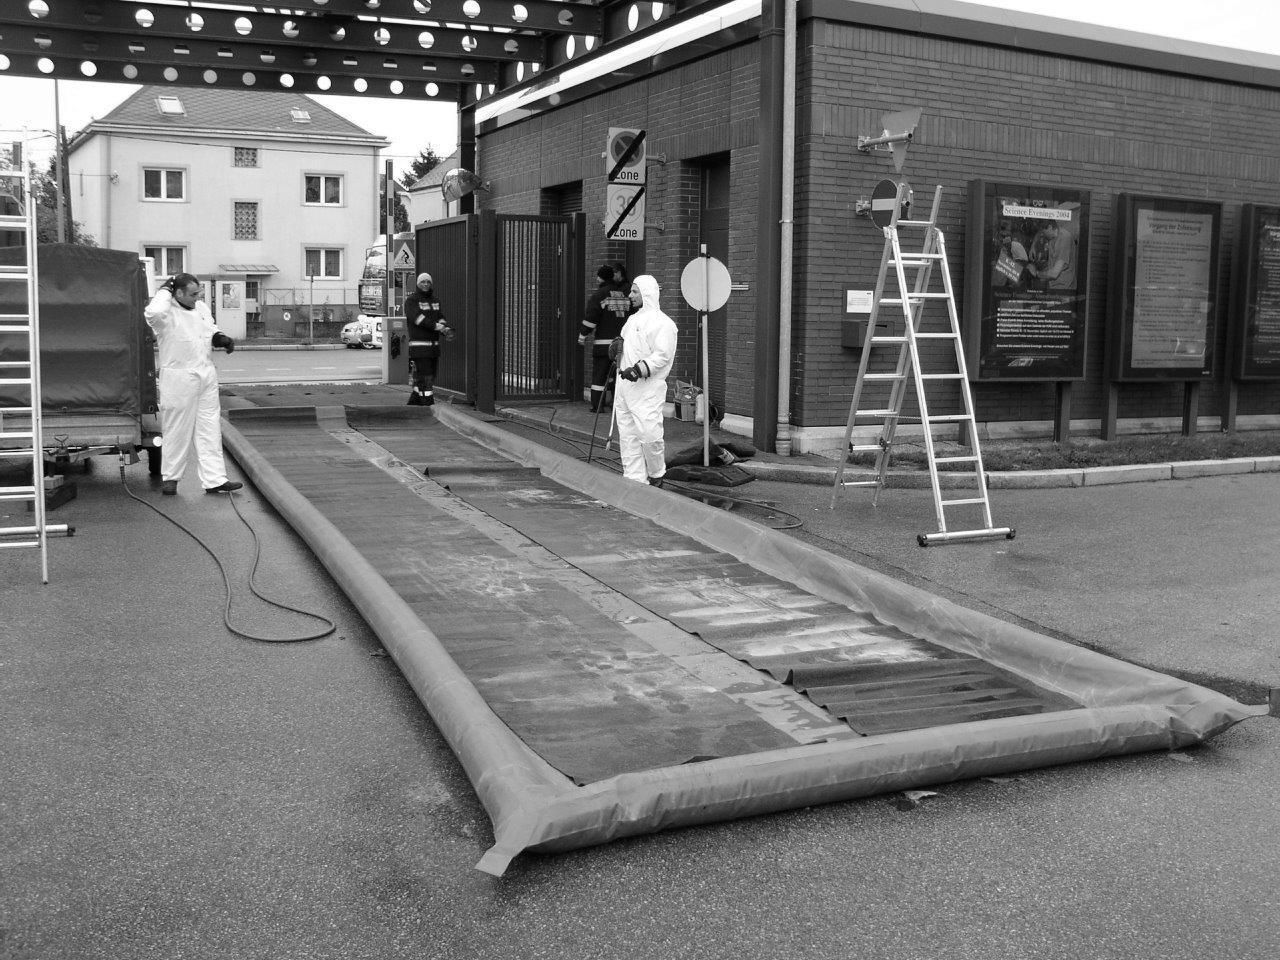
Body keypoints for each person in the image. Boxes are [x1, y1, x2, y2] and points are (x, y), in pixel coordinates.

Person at [144, 273, 242, 496]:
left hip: (205, 373)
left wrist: (220, 338)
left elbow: (209, 329)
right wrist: (163, 290)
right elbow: (153, 312)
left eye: (198, 293)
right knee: (177, 429)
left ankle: (215, 479)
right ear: (177, 293)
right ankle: (171, 478)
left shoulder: (201, 308)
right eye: (192, 294)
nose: (197, 297)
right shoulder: (165, 313)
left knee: (209, 427)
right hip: (179, 376)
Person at [613, 274, 678, 486]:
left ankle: (657, 473)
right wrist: (616, 348)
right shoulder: (632, 321)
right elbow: (624, 345)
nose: (630, 295)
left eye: (634, 291)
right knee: (628, 436)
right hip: (624, 389)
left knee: (649, 434)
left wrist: (640, 369)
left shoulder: (664, 324)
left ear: (647, 293)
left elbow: (662, 356)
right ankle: (634, 480)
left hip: (647, 389)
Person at [578, 262, 633, 412]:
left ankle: (598, 406)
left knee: (600, 376)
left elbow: (591, 319)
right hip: (622, 344)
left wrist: (583, 335)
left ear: (600, 278)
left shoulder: (599, 295)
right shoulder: (625, 295)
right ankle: (618, 406)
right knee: (619, 376)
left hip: (603, 345)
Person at [403, 272, 452, 406]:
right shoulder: (412, 301)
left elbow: (440, 316)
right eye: (423, 282)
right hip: (419, 347)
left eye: (428, 282)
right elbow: (418, 319)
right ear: (418, 284)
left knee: (426, 377)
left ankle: (414, 405)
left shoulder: (435, 300)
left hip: (433, 348)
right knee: (426, 378)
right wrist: (437, 327)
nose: (425, 284)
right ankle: (428, 405)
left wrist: (445, 327)